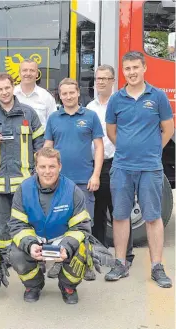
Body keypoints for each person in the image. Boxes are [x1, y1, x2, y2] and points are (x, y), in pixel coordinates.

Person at [105, 51, 173, 288]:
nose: (132, 72)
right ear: (123, 72)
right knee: (121, 216)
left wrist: (153, 150)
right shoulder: (116, 99)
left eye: (136, 67)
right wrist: (126, 148)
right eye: (127, 69)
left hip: (150, 168)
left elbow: (168, 129)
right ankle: (120, 263)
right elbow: (111, 131)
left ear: (144, 68)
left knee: (153, 217)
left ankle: (157, 267)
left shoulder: (158, 97)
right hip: (122, 166)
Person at [8, 147, 92, 304]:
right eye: (42, 167)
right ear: (36, 168)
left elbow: (81, 227)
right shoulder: (23, 189)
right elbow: (17, 225)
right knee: (16, 253)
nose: (47, 171)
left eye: (52, 166)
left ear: (60, 167)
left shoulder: (73, 190)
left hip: (62, 239)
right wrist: (30, 245)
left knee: (82, 251)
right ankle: (33, 285)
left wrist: (67, 247)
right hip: (35, 238)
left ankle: (68, 286)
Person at [0, 73, 44, 261]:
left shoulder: (28, 113)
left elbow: (40, 143)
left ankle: (27, 253)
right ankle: (5, 256)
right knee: (2, 221)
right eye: (0, 89)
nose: (4, 92)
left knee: (27, 220)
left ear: (13, 87)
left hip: (25, 181)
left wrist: (37, 170)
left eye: (7, 88)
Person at [44, 77, 104, 280]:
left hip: (83, 180)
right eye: (64, 93)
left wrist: (95, 174)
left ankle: (86, 263)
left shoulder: (90, 116)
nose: (68, 96)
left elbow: (99, 147)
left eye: (72, 92)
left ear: (78, 93)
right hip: (58, 182)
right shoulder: (53, 118)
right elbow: (47, 149)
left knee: (85, 224)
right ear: (59, 96)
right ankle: (57, 263)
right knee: (58, 224)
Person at [86, 65, 134, 268]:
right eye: (98, 79)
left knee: (120, 209)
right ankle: (101, 252)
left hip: (118, 162)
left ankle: (127, 256)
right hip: (96, 165)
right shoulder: (89, 108)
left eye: (105, 78)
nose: (101, 82)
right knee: (97, 211)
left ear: (113, 81)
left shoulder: (122, 104)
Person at [13, 59, 57, 127]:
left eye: (32, 70)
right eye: (25, 70)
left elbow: (53, 124)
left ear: (37, 74)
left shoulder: (46, 97)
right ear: (19, 73)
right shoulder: (11, 94)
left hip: (40, 137)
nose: (28, 73)